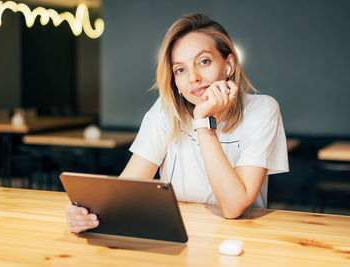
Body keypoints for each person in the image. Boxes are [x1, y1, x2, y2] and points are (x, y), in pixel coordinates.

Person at [66, 13, 289, 233]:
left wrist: (203, 122)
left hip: (244, 239)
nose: (193, 78)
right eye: (180, 69)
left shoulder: (263, 110)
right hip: (181, 235)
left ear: (228, 65)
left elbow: (233, 207)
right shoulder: (165, 111)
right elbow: (126, 189)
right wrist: (87, 212)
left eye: (204, 61)